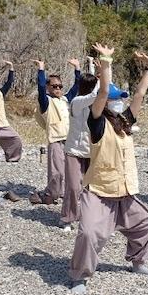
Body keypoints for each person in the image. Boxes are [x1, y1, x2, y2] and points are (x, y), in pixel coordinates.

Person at [68, 44, 148, 295]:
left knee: (146, 224)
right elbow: (104, 89)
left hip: (125, 192)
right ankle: (79, 276)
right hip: (99, 191)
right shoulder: (95, 121)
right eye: (116, 99)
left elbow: (139, 94)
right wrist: (106, 63)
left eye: (121, 99)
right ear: (106, 102)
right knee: (88, 233)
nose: (120, 102)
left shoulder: (125, 122)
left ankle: (138, 262)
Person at [29, 58, 83, 205]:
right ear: (48, 88)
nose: (58, 89)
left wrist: (77, 69)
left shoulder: (65, 100)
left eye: (60, 86)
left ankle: (68, 193)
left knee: (73, 171)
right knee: (57, 172)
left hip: (70, 141)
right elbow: (40, 87)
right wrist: (41, 69)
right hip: (56, 141)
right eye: (54, 86)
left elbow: (77, 87)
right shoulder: (46, 101)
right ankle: (50, 194)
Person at [60, 58, 99, 230]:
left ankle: (88, 216)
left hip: (91, 150)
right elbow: (93, 94)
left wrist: (97, 70)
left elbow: (96, 91)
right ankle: (68, 218)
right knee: (74, 186)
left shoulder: (95, 104)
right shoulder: (76, 102)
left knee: (91, 187)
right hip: (74, 151)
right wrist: (102, 75)